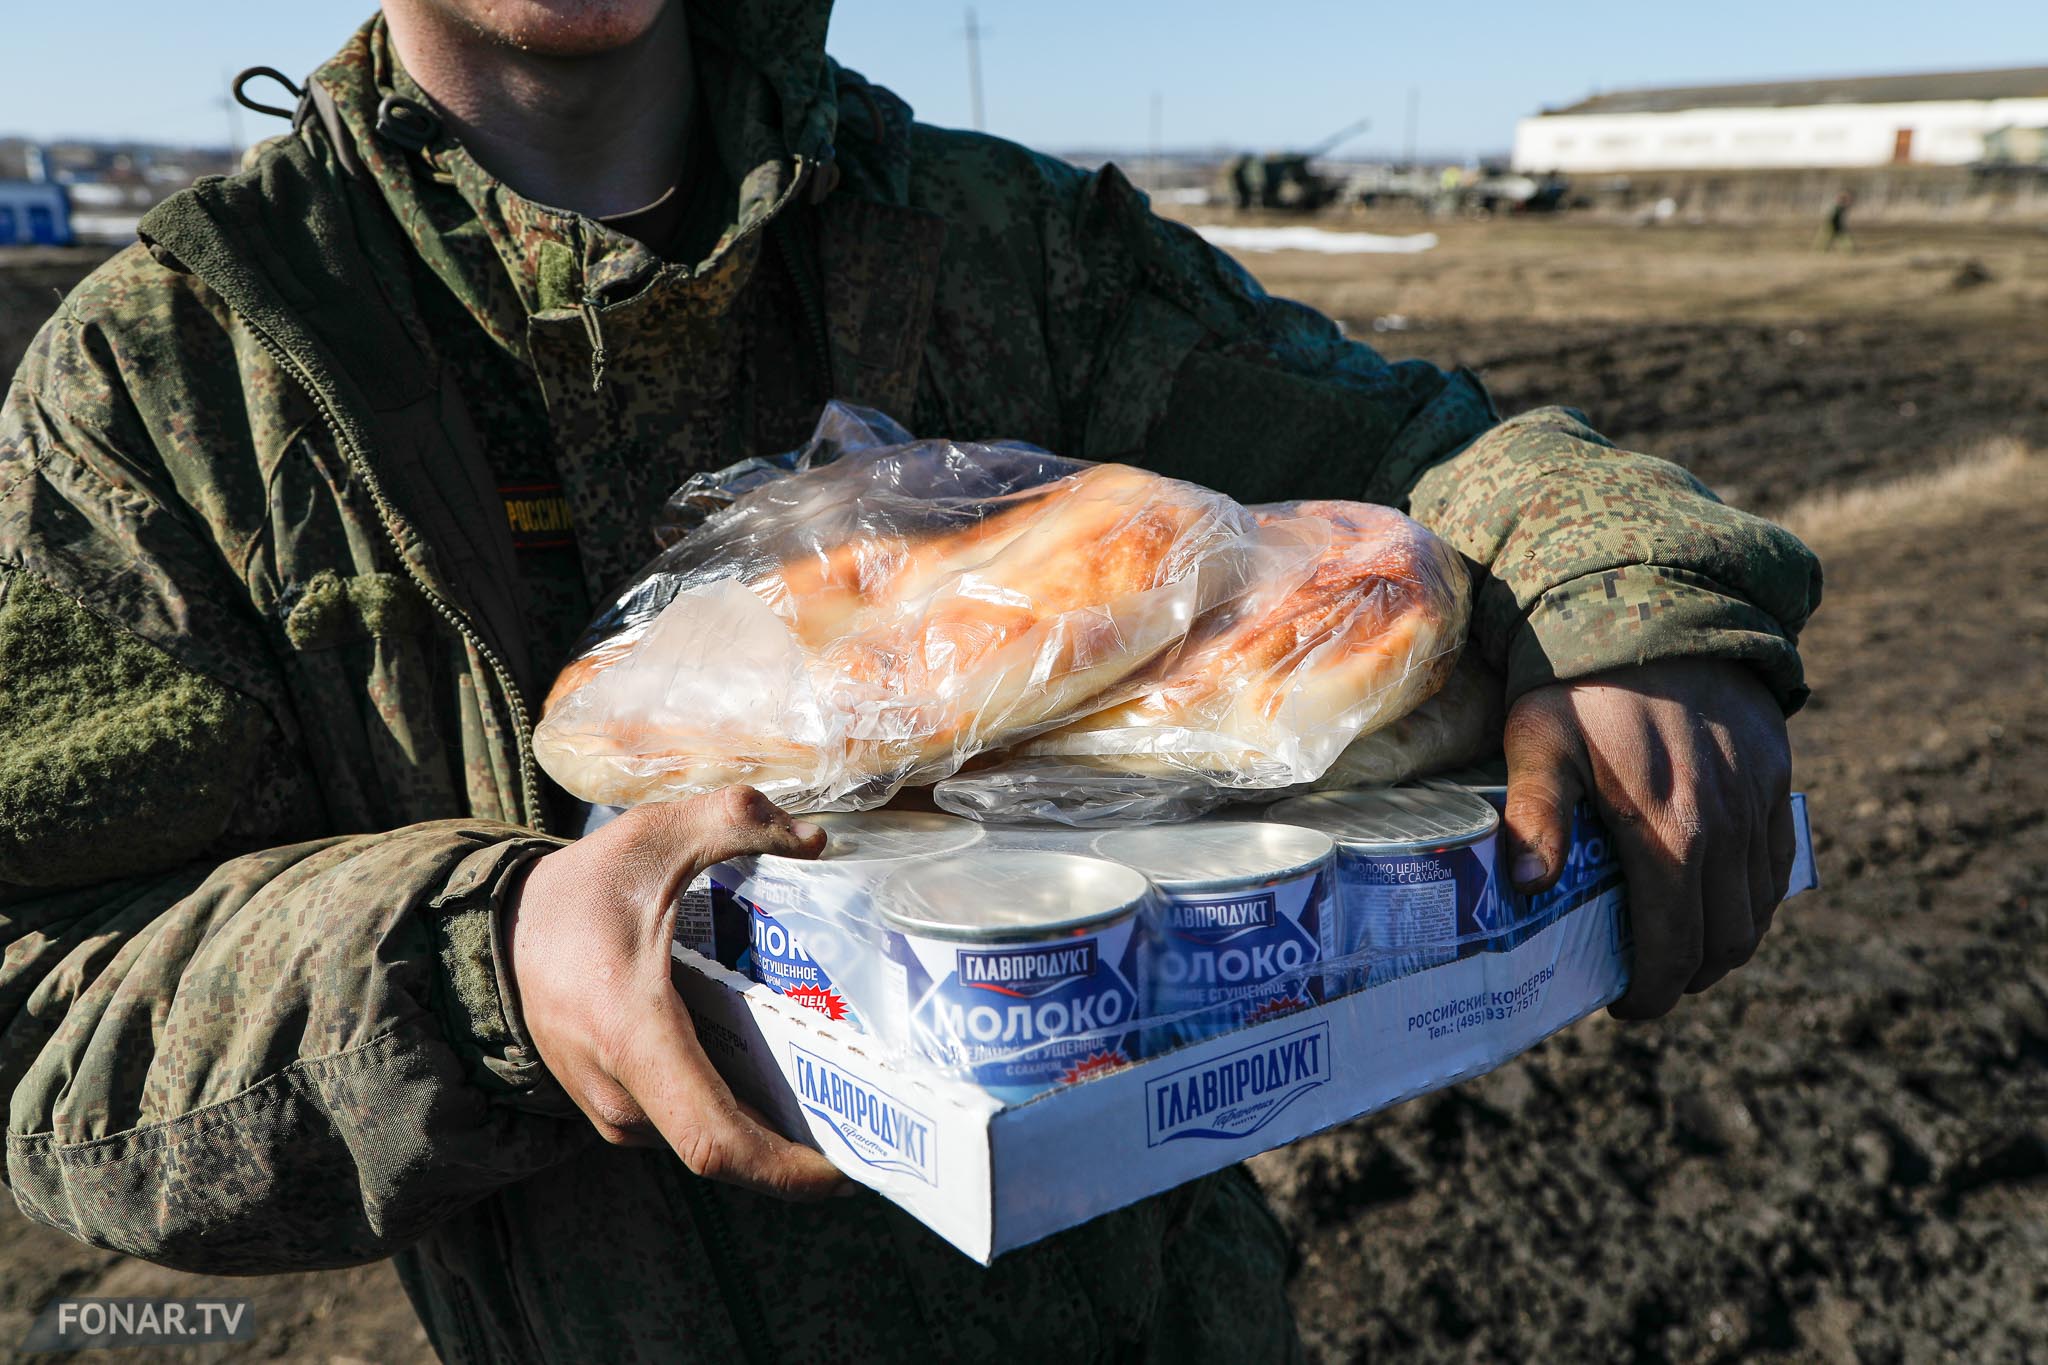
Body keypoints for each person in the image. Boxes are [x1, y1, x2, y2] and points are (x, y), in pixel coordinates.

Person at [0, 1, 1820, 1359]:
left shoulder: (989, 248)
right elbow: (58, 1013)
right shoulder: (175, 386)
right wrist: (494, 959)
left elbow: (1438, 463)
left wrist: (1625, 603)